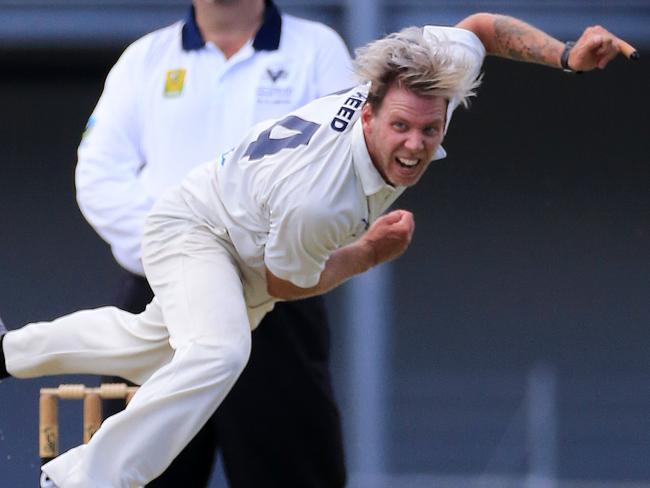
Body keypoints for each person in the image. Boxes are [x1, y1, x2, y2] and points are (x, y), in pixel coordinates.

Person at [0, 12, 630, 488]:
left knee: (146, 343)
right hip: (199, 230)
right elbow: (283, 285)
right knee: (219, 351)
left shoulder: (426, 79)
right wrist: (370, 255)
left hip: (242, 234)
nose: (414, 146)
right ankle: (89, 475)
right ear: (368, 114)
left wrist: (567, 55)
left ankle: (7, 351)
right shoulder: (322, 202)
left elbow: (481, 28)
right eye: (400, 127)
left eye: (429, 129)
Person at [74, 0, 353, 487]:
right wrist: (185, 256)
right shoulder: (145, 58)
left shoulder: (318, 50)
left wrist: (250, 259)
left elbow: (339, 170)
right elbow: (98, 174)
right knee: (132, 476)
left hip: (276, 298)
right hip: (161, 300)